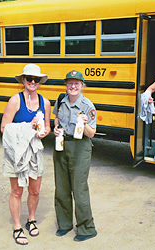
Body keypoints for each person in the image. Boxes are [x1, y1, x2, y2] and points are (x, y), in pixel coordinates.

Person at [0, 64, 51, 245]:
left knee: (35, 190)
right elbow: (4, 127)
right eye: (28, 78)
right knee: (17, 191)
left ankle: (31, 219)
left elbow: (47, 126)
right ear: (23, 80)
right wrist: (27, 128)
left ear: (40, 82)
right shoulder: (15, 100)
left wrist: (43, 132)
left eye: (36, 79)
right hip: (16, 151)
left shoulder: (45, 102)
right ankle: (17, 226)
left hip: (35, 149)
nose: (32, 82)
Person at [52, 70, 97, 242]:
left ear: (82, 86)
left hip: (80, 147)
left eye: (76, 84)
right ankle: (64, 224)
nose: (72, 87)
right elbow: (57, 119)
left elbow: (92, 133)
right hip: (62, 144)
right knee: (62, 187)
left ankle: (86, 228)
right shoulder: (60, 100)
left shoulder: (88, 106)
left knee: (79, 189)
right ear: (66, 85)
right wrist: (56, 128)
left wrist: (84, 124)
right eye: (69, 83)